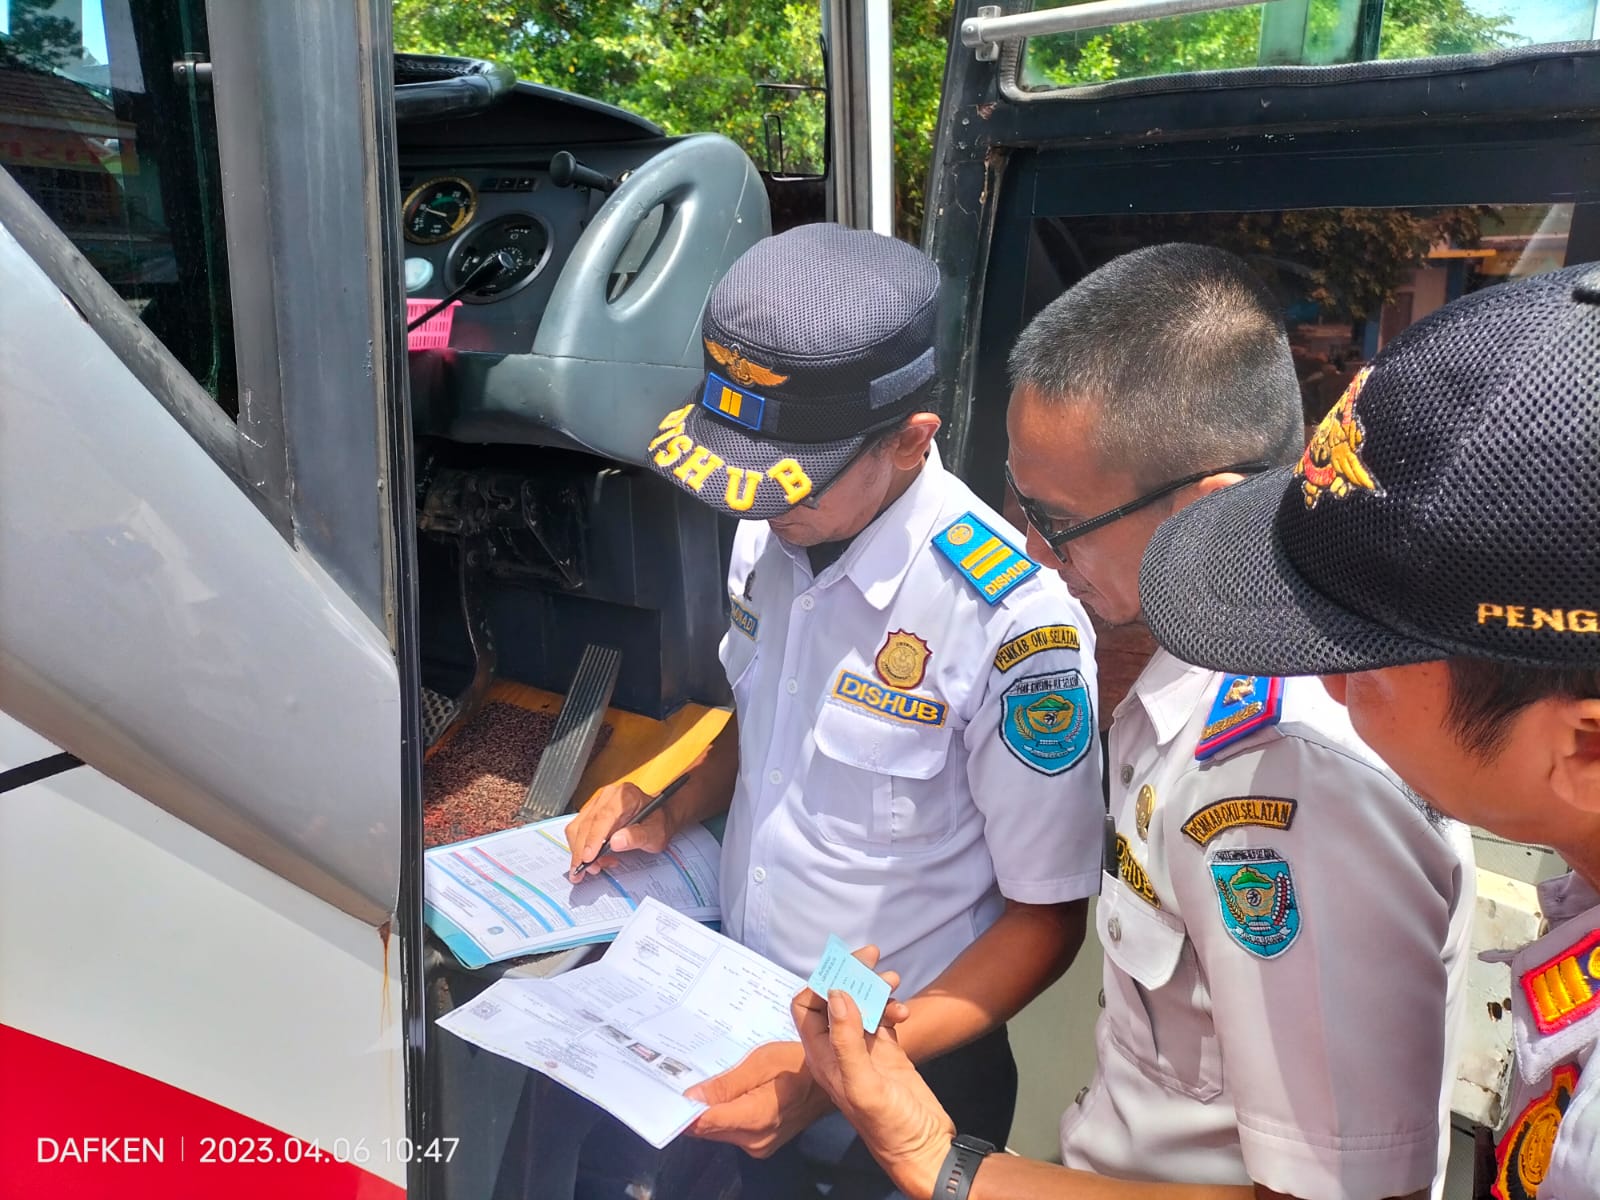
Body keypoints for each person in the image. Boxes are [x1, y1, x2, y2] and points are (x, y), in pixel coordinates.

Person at [790, 243, 1482, 1200]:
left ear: (1207, 509)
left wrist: (941, 1163)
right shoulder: (1180, 679)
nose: (1032, 552)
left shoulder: (1288, 775)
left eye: (1058, 521)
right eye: (1021, 504)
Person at [564, 223, 1106, 1198]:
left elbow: (1047, 918)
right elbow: (770, 721)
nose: (765, 507)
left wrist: (839, 1069)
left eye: (796, 483)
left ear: (909, 440)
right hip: (737, 1019)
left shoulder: (1009, 623)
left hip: (907, 1071)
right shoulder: (773, 527)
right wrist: (667, 800)